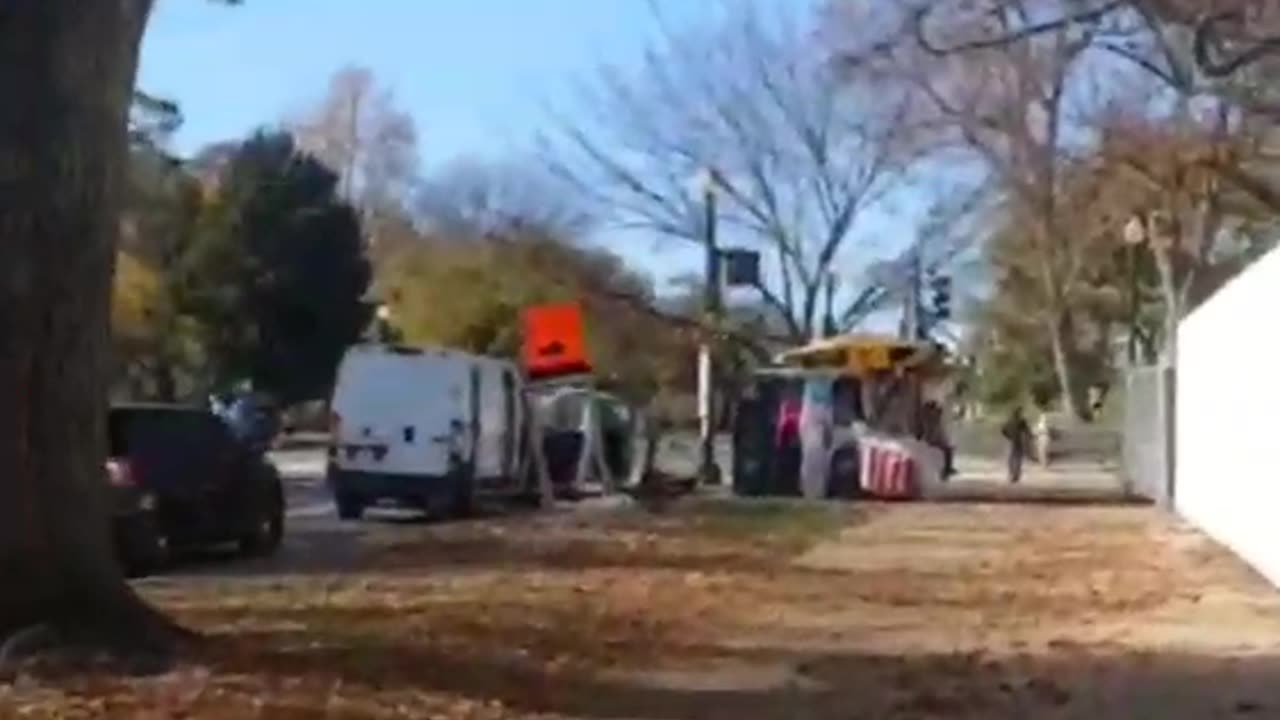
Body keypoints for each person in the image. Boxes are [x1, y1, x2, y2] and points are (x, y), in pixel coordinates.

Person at [1001, 406, 1032, 484]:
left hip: (1011, 441)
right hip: (1018, 441)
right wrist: (1030, 436)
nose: (1021, 413)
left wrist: (1008, 436)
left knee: (1010, 458)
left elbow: (1003, 430)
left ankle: (1011, 474)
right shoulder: (1021, 421)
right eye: (1020, 412)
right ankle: (1016, 475)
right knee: (1018, 458)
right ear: (1019, 413)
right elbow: (1027, 430)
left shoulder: (1008, 421)